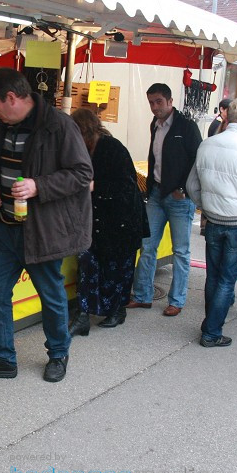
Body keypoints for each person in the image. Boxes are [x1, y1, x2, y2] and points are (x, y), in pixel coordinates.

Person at [0, 68, 92, 383]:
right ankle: (2, 358)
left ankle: (59, 354)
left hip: (43, 231)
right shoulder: (3, 125)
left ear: (11, 98)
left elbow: (82, 173)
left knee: (50, 295)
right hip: (6, 224)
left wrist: (38, 186)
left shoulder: (59, 126)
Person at [187, 98, 237, 347]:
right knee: (226, 279)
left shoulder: (207, 145)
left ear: (227, 117)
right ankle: (212, 331)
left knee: (214, 275)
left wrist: (206, 204)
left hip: (213, 218)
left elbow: (191, 185)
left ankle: (209, 324)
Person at [68, 108, 147, 335]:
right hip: (95, 218)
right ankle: (82, 314)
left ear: (85, 130)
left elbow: (126, 187)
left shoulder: (113, 148)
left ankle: (117, 309)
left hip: (121, 220)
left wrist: (95, 187)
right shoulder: (81, 150)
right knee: (87, 264)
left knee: (117, 268)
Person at [129, 83, 202, 317]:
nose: (154, 107)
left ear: (170, 101)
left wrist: (184, 188)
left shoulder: (187, 127)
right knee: (148, 246)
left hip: (179, 197)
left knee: (181, 251)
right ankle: (142, 296)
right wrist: (150, 188)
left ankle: (177, 300)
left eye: (159, 101)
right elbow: (155, 157)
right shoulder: (155, 124)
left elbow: (197, 161)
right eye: (151, 102)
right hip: (157, 193)